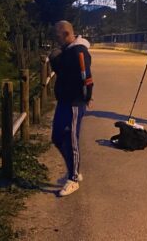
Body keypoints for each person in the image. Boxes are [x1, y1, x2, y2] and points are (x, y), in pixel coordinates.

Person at [49, 20, 93, 197]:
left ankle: (73, 178)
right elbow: (62, 71)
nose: (55, 39)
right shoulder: (68, 51)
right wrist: (55, 58)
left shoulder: (79, 52)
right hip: (64, 101)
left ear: (67, 34)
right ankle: (73, 168)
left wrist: (87, 97)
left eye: (57, 36)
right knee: (57, 137)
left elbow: (87, 77)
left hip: (75, 101)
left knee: (72, 138)